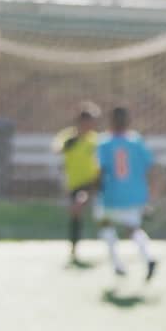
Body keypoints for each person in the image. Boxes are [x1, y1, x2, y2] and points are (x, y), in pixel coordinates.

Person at [96, 106, 158, 280]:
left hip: (112, 194)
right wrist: (151, 193)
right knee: (133, 229)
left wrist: (94, 189)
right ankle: (149, 257)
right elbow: (150, 166)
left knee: (105, 225)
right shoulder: (136, 141)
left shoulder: (104, 143)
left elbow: (100, 170)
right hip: (136, 194)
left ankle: (116, 264)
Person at [50, 101, 101, 262]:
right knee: (76, 215)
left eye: (92, 123)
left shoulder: (96, 141)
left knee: (78, 206)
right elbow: (57, 149)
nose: (89, 126)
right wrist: (69, 144)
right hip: (74, 183)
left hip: (93, 182)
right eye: (86, 123)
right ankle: (74, 247)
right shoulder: (68, 138)